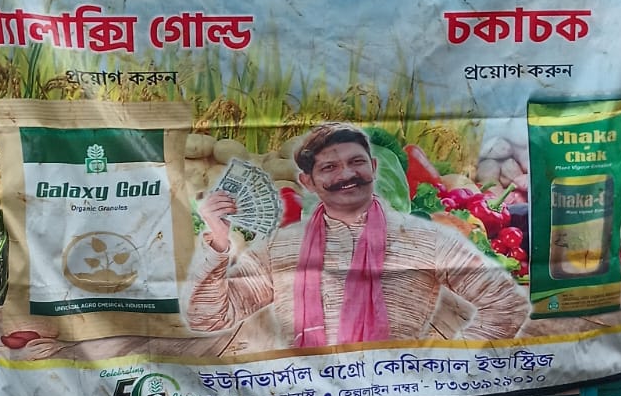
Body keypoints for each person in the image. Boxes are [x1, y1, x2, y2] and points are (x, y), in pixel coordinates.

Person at [184, 123, 530, 350]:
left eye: (356, 162)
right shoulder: (280, 247)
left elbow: (506, 304)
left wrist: (454, 366)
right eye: (329, 167)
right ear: (308, 182)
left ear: (374, 168)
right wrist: (218, 244)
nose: (347, 174)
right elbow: (208, 317)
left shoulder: (424, 238)